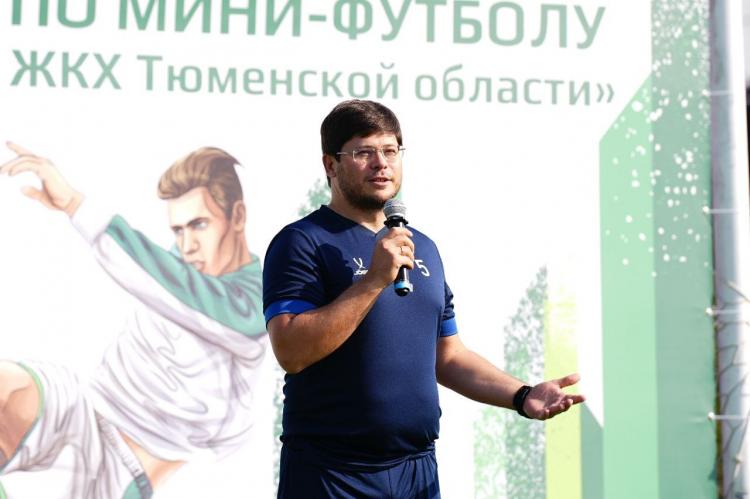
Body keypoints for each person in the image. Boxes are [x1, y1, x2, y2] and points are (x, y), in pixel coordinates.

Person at [262, 99, 585, 498]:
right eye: (364, 152)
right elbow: (291, 351)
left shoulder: (422, 247)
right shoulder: (302, 242)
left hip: (417, 471)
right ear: (331, 164)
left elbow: (448, 356)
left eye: (391, 150)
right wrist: (372, 281)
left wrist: (522, 395)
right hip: (333, 473)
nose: (381, 164)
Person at [0, 143, 267, 499]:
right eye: (178, 230)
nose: (187, 245)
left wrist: (76, 204)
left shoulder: (252, 306)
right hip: (81, 406)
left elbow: (172, 283)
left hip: (119, 464)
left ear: (238, 216)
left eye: (199, 225)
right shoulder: (173, 268)